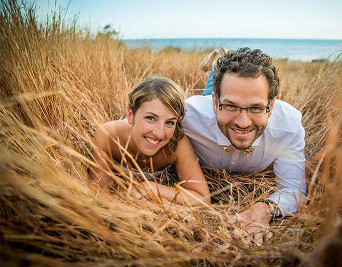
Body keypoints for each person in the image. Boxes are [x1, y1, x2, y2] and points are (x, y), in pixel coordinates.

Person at [182, 47, 306, 237]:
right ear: (214, 104)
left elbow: (293, 189)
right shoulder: (188, 115)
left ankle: (221, 62)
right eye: (231, 106)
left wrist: (265, 209)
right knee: (211, 86)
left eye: (256, 108)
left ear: (271, 106)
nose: (243, 122)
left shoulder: (288, 128)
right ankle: (215, 68)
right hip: (209, 99)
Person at [89, 76, 211, 207]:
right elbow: (98, 195)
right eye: (151, 118)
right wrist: (155, 207)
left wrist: (148, 189)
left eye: (170, 122)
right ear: (130, 116)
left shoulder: (177, 143)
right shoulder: (108, 135)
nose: (159, 133)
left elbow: (202, 198)